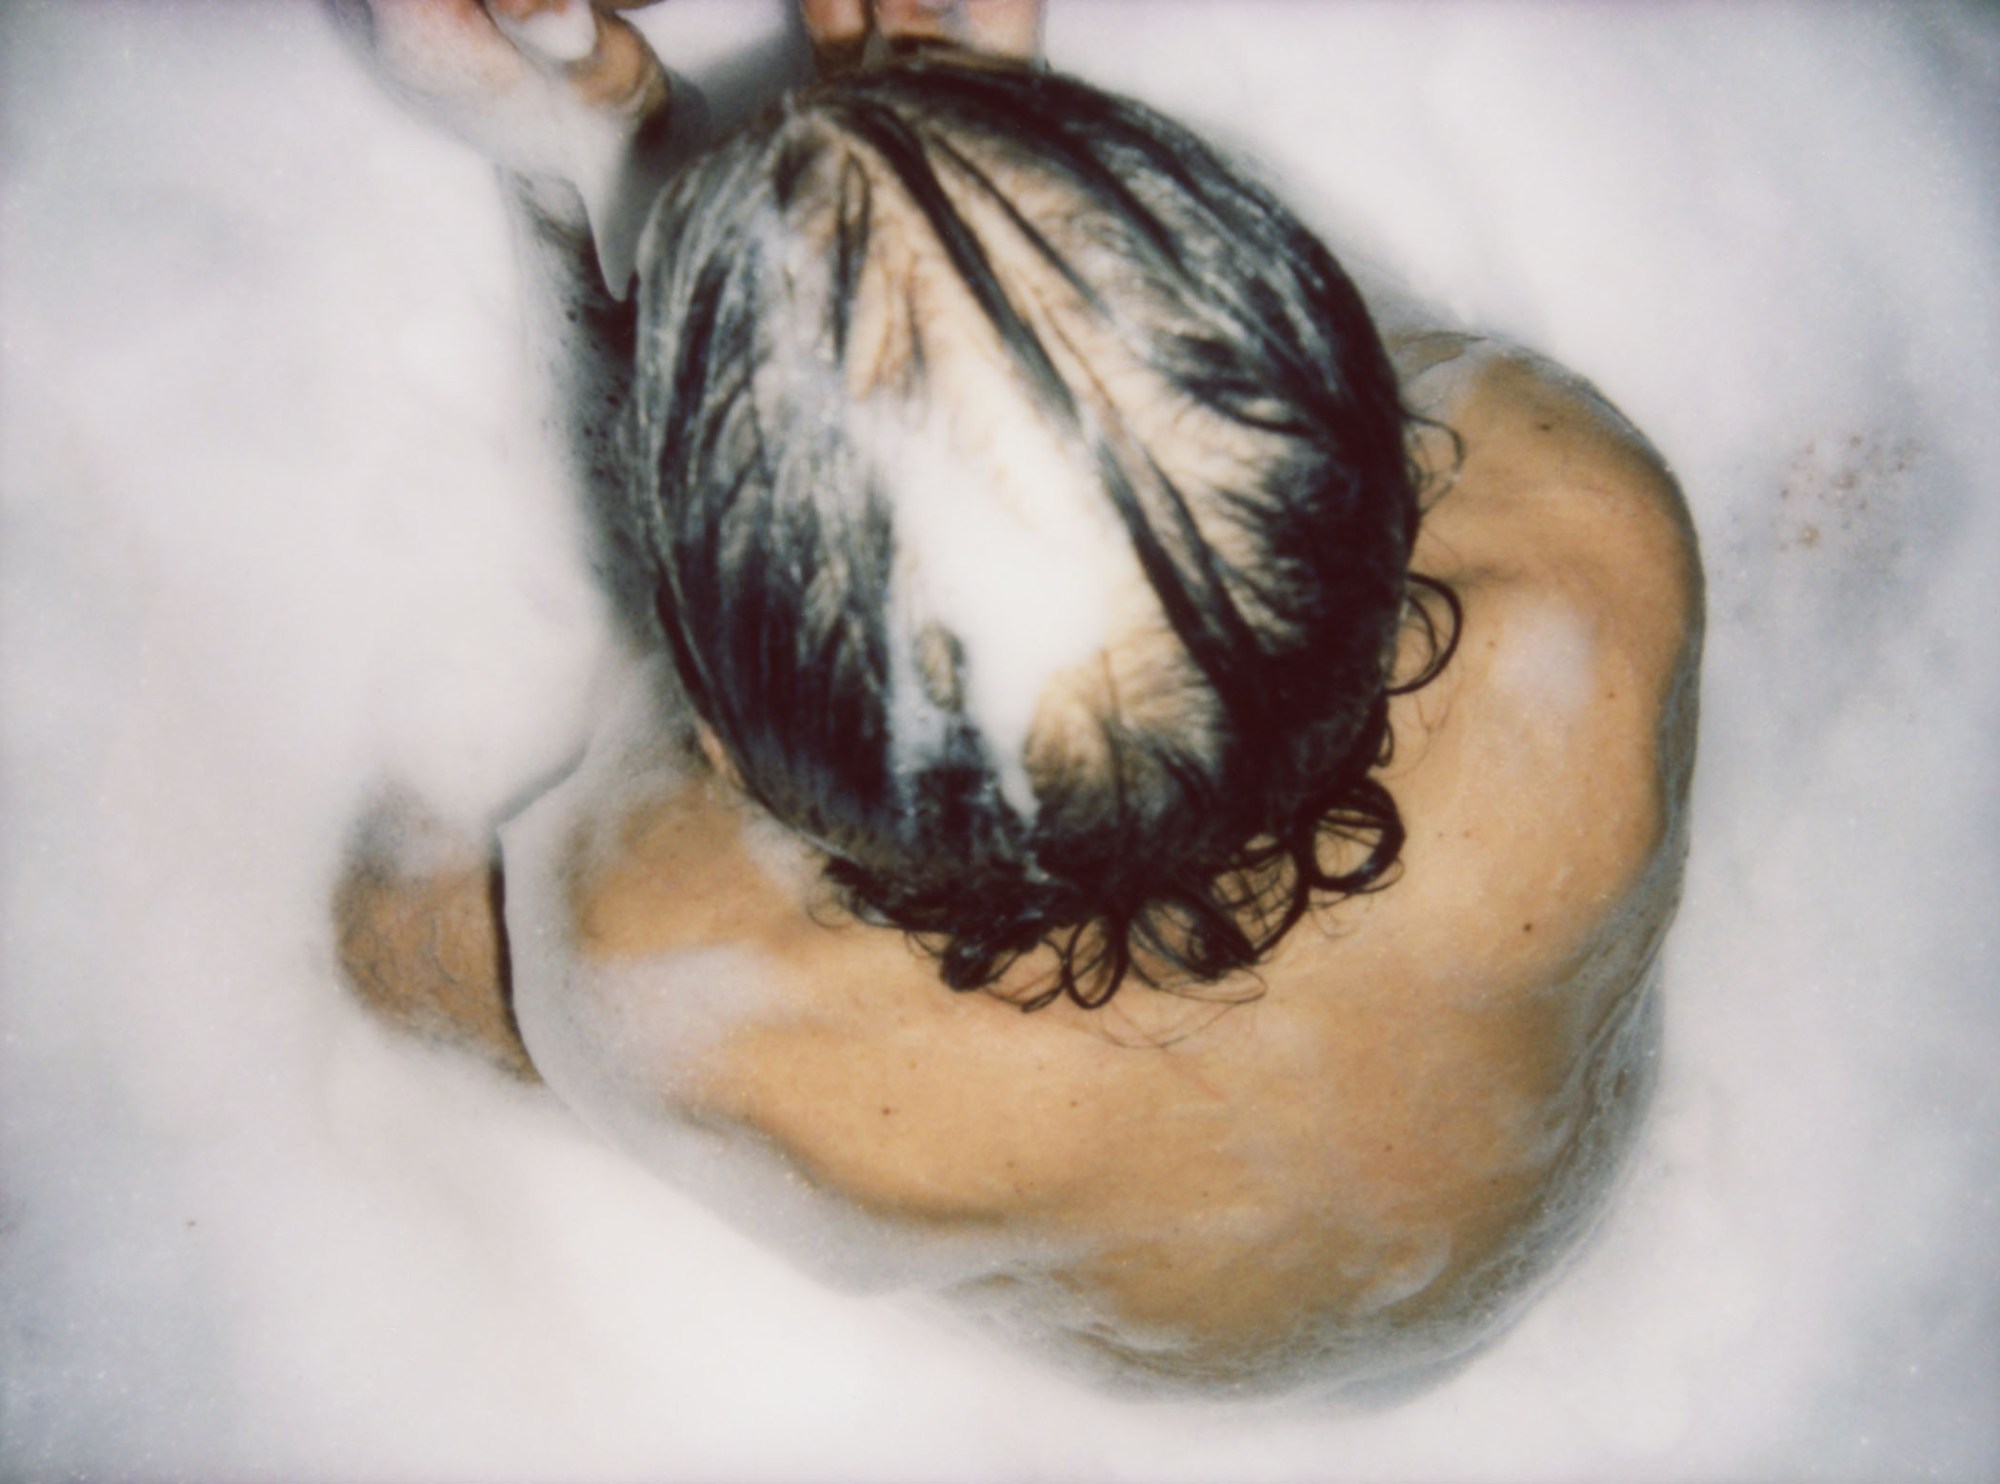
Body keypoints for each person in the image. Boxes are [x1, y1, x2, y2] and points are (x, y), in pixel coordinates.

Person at [331, 0, 1702, 1397]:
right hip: (1499, 1229)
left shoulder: (691, 976)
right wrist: (976, 126)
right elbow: (1239, 449)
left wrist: (576, 176)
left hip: (1216, 1365)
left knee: (403, 955)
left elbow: (467, 932)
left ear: (733, 763)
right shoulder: (1583, 530)